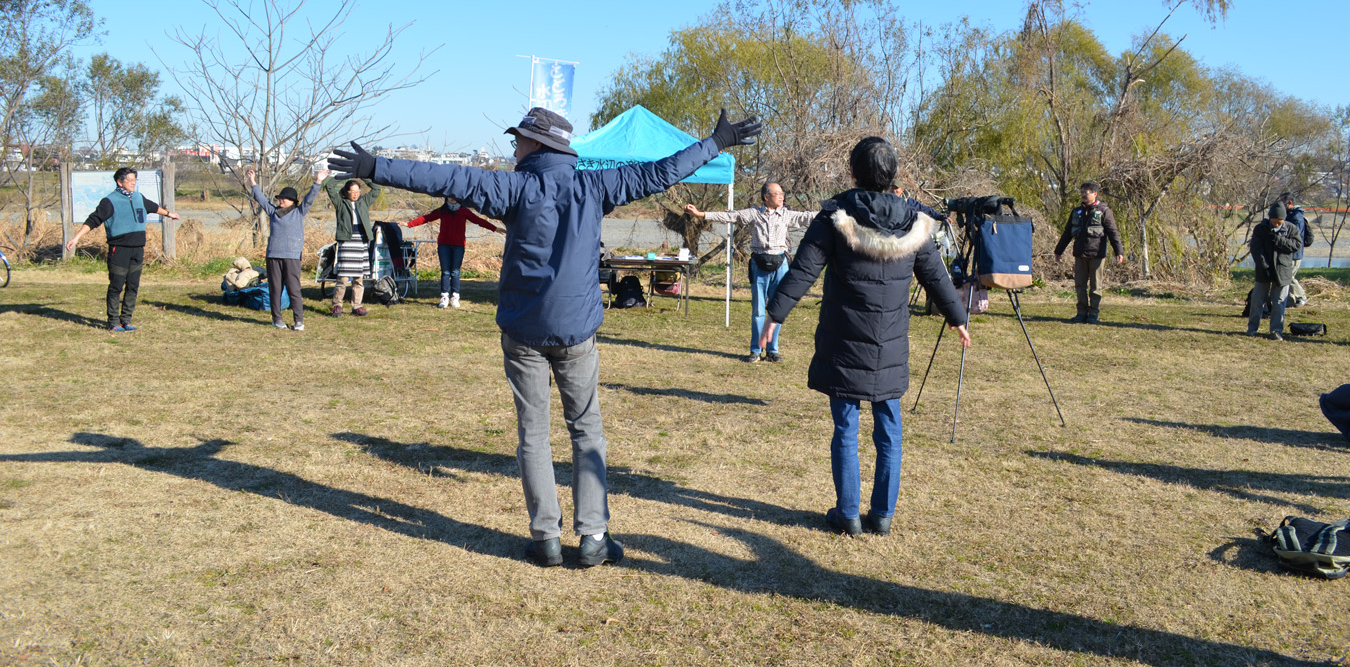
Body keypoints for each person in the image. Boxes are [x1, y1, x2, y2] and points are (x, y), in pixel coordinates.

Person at [328, 106, 760, 568]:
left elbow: (443, 178)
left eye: (519, 140)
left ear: (539, 145)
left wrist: (376, 167)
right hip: (576, 331)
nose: (513, 147)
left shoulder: (513, 187)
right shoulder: (595, 185)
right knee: (586, 429)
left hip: (523, 330)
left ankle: (546, 539)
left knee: (533, 433)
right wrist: (715, 142)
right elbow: (662, 171)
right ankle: (593, 536)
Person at [760, 137, 970, 537]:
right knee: (889, 427)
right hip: (889, 346)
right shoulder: (914, 221)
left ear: (854, 173)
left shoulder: (835, 216)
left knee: (846, 428)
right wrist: (957, 317)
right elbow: (936, 276)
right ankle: (882, 516)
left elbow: (803, 271)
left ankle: (849, 514)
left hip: (843, 341)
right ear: (892, 176)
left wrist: (775, 315)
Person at [684, 183, 814, 362]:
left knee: (776, 310)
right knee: (759, 311)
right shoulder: (754, 213)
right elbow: (729, 216)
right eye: (777, 194)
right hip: (759, 264)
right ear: (766, 197)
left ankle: (772, 350)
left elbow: (807, 217)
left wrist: (835, 213)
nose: (781, 196)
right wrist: (700, 214)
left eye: (782, 194)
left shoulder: (786, 214)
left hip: (780, 265)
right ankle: (756, 350)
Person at [66, 167, 180, 331]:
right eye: (130, 180)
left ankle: (126, 320)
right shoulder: (109, 201)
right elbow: (93, 220)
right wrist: (76, 238)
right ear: (120, 182)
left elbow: (153, 207)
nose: (133, 183)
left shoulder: (138, 197)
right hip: (119, 249)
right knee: (116, 286)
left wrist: (170, 214)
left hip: (137, 249)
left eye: (135, 180)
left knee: (133, 286)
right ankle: (113, 321)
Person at [250, 167, 326, 330]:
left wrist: (318, 181)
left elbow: (310, 198)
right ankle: (277, 319)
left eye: (284, 198)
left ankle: (299, 321)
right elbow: (262, 199)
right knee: (275, 288)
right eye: (280, 198)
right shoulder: (273, 212)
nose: (281, 200)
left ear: (292, 201)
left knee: (294, 288)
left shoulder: (299, 212)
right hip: (273, 256)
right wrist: (253, 183)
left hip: (292, 256)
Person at [404, 197, 505, 308]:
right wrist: (409, 224)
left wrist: (495, 229)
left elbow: (479, 221)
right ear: (446, 198)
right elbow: (426, 218)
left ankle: (455, 297)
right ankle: (444, 297)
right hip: (443, 245)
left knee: (455, 272)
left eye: (454, 196)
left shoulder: (464, 211)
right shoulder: (442, 211)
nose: (452, 199)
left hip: (458, 246)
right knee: (445, 272)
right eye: (450, 196)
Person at [1053, 181, 1124, 324]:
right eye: (1082, 192)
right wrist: (1058, 250)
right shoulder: (1076, 212)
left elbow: (1113, 233)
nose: (1083, 195)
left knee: (1096, 287)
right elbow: (1067, 233)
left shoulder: (1104, 211)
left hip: (1097, 254)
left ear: (1095, 194)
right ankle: (1081, 313)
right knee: (1080, 286)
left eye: (1087, 192)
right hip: (1080, 254)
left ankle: (1093, 314)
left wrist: (1119, 251)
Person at [322, 175, 381, 317]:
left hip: (361, 241)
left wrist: (362, 176)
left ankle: (357, 306)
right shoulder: (340, 203)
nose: (355, 194)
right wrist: (343, 175)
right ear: (346, 192)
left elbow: (376, 188)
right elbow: (329, 186)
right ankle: (337, 305)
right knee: (342, 277)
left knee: (358, 278)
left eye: (357, 191)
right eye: (352, 192)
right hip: (346, 241)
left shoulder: (364, 202)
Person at [1248, 201, 1301, 341]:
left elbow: (1297, 245)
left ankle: (1276, 331)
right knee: (1257, 301)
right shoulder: (1260, 229)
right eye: (1275, 222)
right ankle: (1252, 329)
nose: (1277, 224)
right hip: (1263, 271)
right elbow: (1255, 249)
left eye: (1280, 222)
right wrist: (1263, 266)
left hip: (1283, 271)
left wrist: (1279, 240)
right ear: (1270, 217)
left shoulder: (1291, 229)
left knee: (1279, 302)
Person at [1280, 191, 1314, 307]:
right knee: (1287, 276)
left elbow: (1295, 234)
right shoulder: (1289, 215)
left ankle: (1301, 296)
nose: (1281, 204)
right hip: (1289, 252)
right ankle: (1290, 300)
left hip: (1295, 253)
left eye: (1283, 202)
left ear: (1290, 202)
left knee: (1289, 277)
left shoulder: (1296, 217)